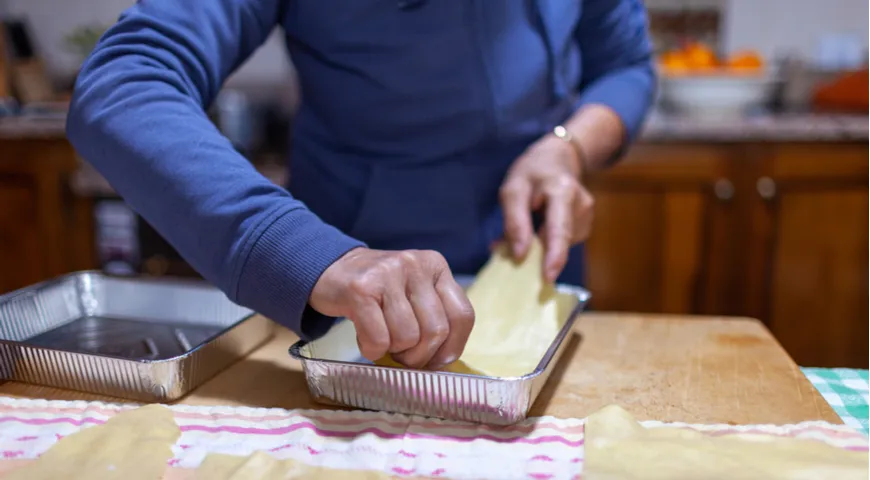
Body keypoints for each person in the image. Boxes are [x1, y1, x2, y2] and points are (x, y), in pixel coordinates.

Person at [67, 0, 656, 371]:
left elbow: (627, 65)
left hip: (537, 274)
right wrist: (306, 253)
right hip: (347, 306)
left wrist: (567, 145)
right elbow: (124, 83)